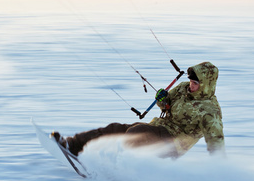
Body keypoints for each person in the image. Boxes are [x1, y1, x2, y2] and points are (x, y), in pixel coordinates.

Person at [52, 61, 225, 158]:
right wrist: (162, 100)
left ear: (206, 85)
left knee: (137, 132)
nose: (191, 86)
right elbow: (166, 106)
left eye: (196, 84)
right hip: (160, 127)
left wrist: (220, 172)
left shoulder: (210, 111)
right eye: (191, 82)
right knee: (117, 128)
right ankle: (72, 145)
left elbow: (216, 141)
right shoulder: (182, 87)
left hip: (173, 143)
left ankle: (111, 163)